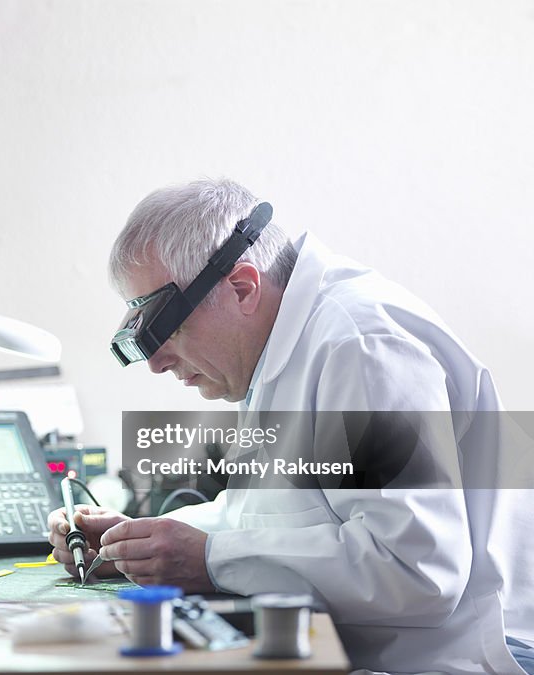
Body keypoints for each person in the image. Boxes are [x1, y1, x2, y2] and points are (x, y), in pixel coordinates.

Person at [48, 178, 533, 674]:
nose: (157, 363)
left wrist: (211, 559)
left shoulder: (361, 346)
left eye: (167, 328)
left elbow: (417, 573)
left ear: (242, 287)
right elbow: (275, 520)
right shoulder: (283, 349)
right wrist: (140, 544)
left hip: (464, 658)